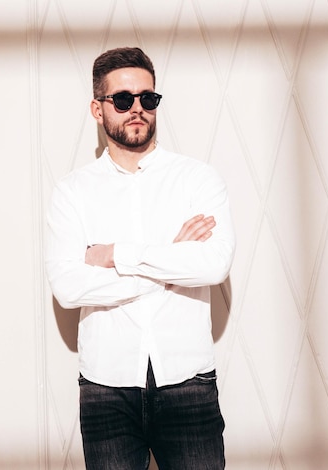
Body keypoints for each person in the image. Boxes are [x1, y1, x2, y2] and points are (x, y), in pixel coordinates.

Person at [45, 47, 236, 469]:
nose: (137, 109)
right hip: (106, 389)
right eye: (123, 99)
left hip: (188, 382)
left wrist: (116, 255)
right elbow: (68, 287)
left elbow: (214, 264)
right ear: (98, 109)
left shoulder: (197, 179)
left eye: (148, 98)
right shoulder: (72, 193)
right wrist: (170, 261)